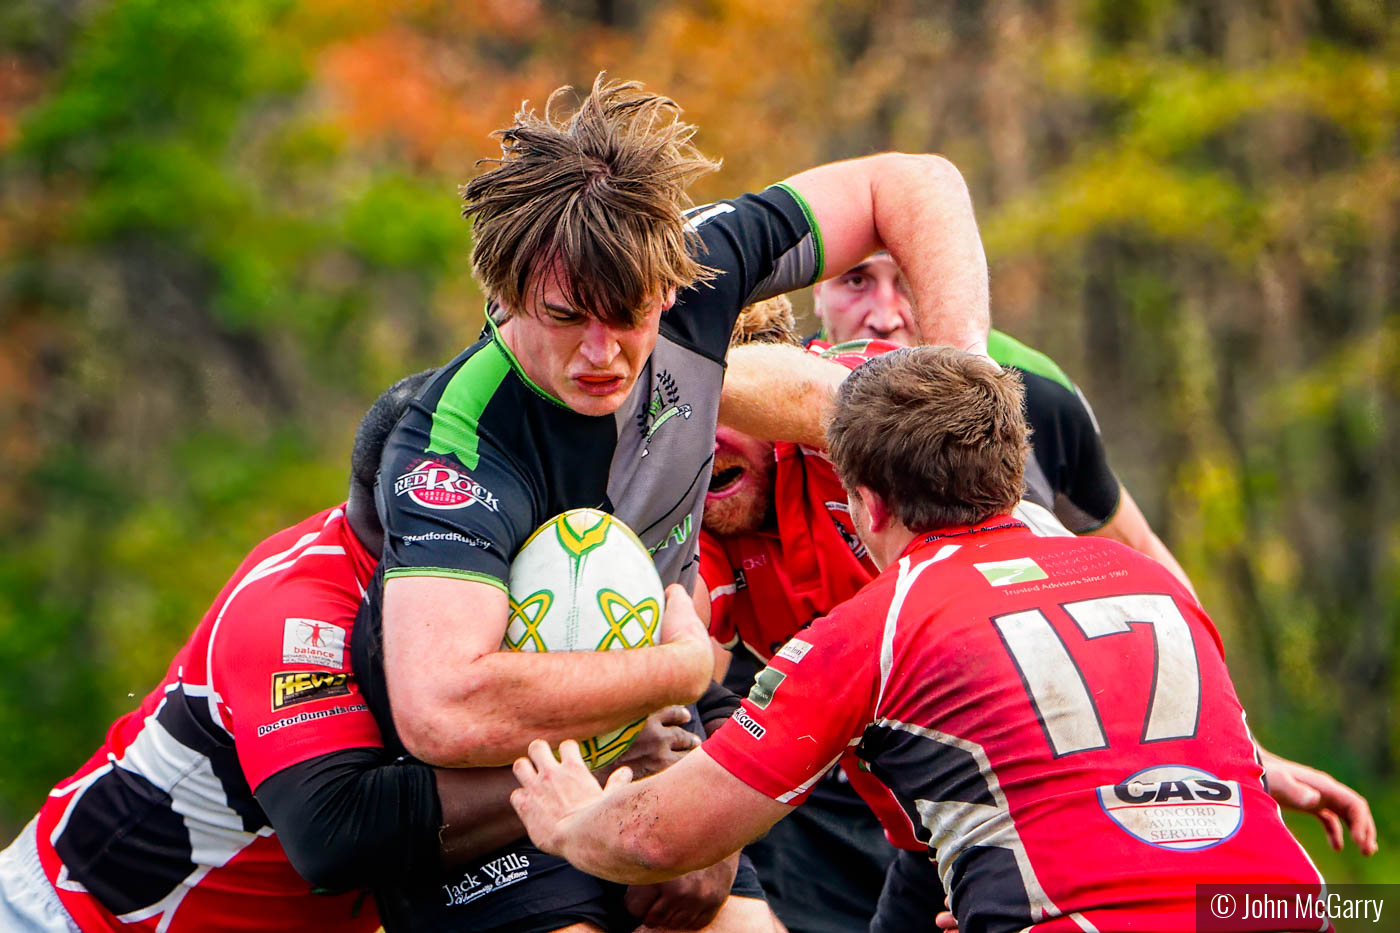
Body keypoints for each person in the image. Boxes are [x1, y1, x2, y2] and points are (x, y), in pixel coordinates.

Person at [353, 72, 994, 932]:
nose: (602, 353)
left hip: (647, 729)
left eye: (629, 315)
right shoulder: (454, 442)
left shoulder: (693, 266)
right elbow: (444, 710)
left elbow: (913, 184)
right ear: (504, 294)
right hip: (499, 786)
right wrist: (682, 669)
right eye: (566, 315)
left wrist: (962, 381)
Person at [510, 346, 1330, 933]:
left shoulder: (879, 622)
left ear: (865, 502)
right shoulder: (1151, 582)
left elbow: (657, 832)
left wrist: (570, 819)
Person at [709, 289, 1376, 932]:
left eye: (903, 282)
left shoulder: (1036, 404)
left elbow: (1139, 579)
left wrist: (1241, 747)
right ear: (820, 301)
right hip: (864, 792)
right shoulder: (683, 487)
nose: (885, 310)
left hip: (1020, 802)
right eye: (857, 278)